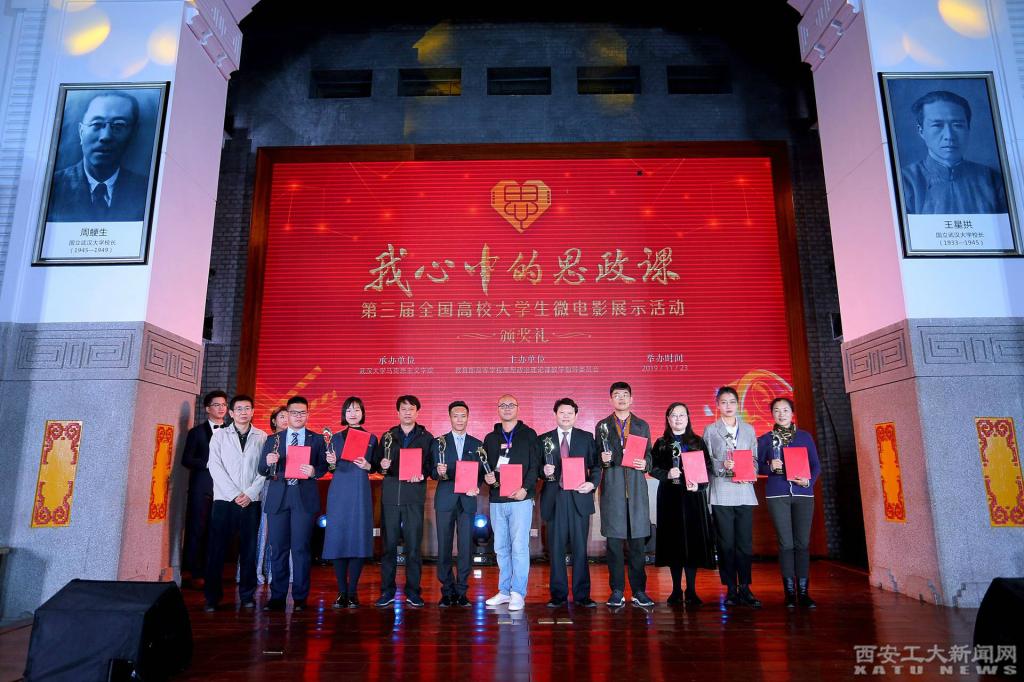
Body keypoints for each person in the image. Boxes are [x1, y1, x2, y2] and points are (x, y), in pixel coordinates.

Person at [258, 396, 328, 612]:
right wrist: (267, 462)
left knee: (301, 548)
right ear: (286, 415)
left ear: (307, 415)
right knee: (278, 548)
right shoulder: (273, 439)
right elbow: (261, 469)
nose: (298, 416)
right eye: (294, 412)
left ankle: (300, 597)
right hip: (279, 497)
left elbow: (324, 467)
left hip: (303, 497)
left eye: (302, 413)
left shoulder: (316, 439)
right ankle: (277, 596)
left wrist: (314, 471)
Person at [594, 382, 655, 608]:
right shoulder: (603, 426)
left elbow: (650, 456)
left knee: (638, 545)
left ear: (631, 399)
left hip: (637, 492)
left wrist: (645, 463)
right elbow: (596, 458)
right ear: (610, 399)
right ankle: (617, 590)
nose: (621, 398)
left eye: (625, 395)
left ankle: (639, 591)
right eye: (617, 395)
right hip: (613, 490)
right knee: (614, 545)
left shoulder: (641, 425)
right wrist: (602, 459)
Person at [203, 395, 267, 612]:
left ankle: (247, 595)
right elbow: (214, 466)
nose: (243, 412)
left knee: (249, 550)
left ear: (253, 411)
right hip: (224, 501)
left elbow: (264, 470)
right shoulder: (220, 436)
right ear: (231, 413)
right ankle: (212, 598)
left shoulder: (262, 437)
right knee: (217, 550)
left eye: (247, 408)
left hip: (251, 501)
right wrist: (234, 494)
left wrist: (249, 493)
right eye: (239, 409)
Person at [757, 397, 821, 609]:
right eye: (777, 410)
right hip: (777, 494)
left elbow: (815, 465)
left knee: (802, 543)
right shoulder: (766, 439)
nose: (781, 414)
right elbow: (756, 466)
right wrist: (769, 467)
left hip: (803, 494)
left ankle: (803, 592)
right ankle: (789, 593)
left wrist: (808, 481)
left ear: (792, 413)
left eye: (785, 410)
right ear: (772, 414)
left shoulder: (804, 436)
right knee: (786, 544)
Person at [47, 91, 150, 222]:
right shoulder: (53, 187)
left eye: (118, 125)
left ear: (133, 134)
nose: (105, 136)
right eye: (96, 124)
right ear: (81, 132)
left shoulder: (147, 190)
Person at [901, 90, 1008, 215]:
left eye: (957, 125)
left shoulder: (992, 179)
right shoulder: (905, 181)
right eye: (937, 125)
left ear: (968, 128)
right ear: (921, 131)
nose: (949, 136)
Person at [650, 402, 716, 606]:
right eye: (674, 415)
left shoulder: (697, 441)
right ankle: (676, 589)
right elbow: (652, 468)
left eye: (682, 415)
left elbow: (708, 468)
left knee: (692, 542)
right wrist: (667, 474)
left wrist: (700, 485)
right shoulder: (661, 443)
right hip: (669, 497)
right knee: (674, 542)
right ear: (668, 419)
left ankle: (692, 590)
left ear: (688, 418)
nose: (678, 419)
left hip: (692, 497)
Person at [538, 398, 600, 608]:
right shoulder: (544, 439)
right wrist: (543, 471)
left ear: (576, 415)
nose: (565, 416)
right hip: (555, 498)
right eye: (561, 412)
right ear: (555, 414)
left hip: (579, 497)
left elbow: (596, 466)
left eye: (569, 413)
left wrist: (592, 484)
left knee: (580, 549)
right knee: (556, 550)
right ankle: (558, 595)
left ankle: (582, 595)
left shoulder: (586, 438)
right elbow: (536, 467)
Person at [372, 395, 433, 608]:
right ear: (397, 412)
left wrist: (422, 474)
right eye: (403, 409)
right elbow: (377, 465)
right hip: (390, 497)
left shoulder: (427, 438)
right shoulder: (388, 436)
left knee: (414, 548)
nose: (407, 412)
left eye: (411, 409)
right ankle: (387, 591)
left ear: (417, 412)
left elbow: (431, 465)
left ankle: (413, 592)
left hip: (413, 497)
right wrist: (382, 465)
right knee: (388, 547)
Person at [703, 386, 760, 608]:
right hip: (722, 493)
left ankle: (745, 587)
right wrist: (721, 465)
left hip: (744, 492)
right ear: (718, 405)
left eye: (732, 402)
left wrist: (750, 472)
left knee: (744, 543)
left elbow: (754, 459)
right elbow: (707, 462)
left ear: (738, 404)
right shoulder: (711, 430)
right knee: (725, 544)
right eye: (724, 402)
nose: (728, 406)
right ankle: (731, 588)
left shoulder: (749, 430)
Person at [482, 394, 540, 612]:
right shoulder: (490, 438)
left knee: (519, 547)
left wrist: (526, 489)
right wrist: (487, 478)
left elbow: (535, 466)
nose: (507, 408)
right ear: (498, 409)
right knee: (500, 547)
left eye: (511, 405)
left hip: (521, 499)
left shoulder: (529, 435)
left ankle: (518, 593)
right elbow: (485, 467)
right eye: (503, 405)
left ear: (518, 408)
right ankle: (504, 591)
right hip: (497, 500)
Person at [323, 397, 377, 609]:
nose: (353, 414)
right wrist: (330, 463)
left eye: (356, 410)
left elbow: (376, 466)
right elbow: (330, 468)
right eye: (349, 410)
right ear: (343, 414)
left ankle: (353, 591)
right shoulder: (334, 438)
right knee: (338, 537)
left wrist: (368, 465)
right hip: (339, 491)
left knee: (358, 538)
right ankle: (341, 591)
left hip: (360, 490)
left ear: (362, 413)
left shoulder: (371, 438)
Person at [429, 401, 483, 607]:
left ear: (468, 417)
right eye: (455, 416)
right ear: (450, 417)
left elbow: (480, 472)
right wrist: (438, 472)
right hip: (445, 499)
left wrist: (476, 485)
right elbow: (431, 471)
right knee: (444, 546)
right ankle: (447, 590)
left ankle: (461, 591)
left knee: (465, 547)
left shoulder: (477, 444)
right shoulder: (438, 442)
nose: (459, 419)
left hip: (467, 501)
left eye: (463, 416)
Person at [181, 390, 228, 586]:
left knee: (217, 532)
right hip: (202, 488)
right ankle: (193, 572)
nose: (221, 408)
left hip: (224, 491)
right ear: (208, 409)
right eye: (217, 405)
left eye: (224, 405)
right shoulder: (197, 432)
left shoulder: (232, 432)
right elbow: (186, 459)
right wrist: (208, 463)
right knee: (197, 530)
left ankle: (212, 571)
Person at [255, 407, 290, 586]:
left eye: (288, 416)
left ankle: (279, 573)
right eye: (282, 416)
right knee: (265, 529)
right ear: (274, 421)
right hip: (270, 486)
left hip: (290, 487)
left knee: (285, 531)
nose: (286, 419)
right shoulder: (268, 440)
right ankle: (259, 571)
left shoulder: (296, 440)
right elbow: (260, 467)